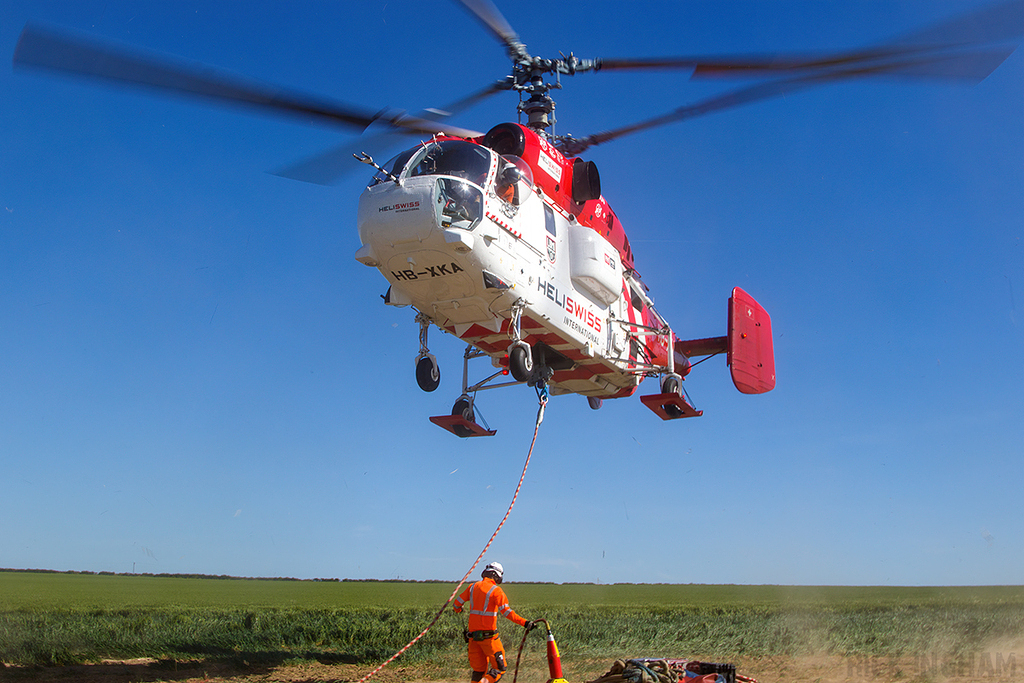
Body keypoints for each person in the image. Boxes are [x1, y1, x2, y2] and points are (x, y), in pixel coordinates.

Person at [453, 562, 534, 683]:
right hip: (489, 639)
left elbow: (456, 604)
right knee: (500, 669)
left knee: (479, 672)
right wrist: (525, 623)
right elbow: (506, 612)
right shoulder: (496, 591)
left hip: (473, 640)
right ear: (497, 576)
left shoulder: (472, 587)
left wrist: (459, 609)